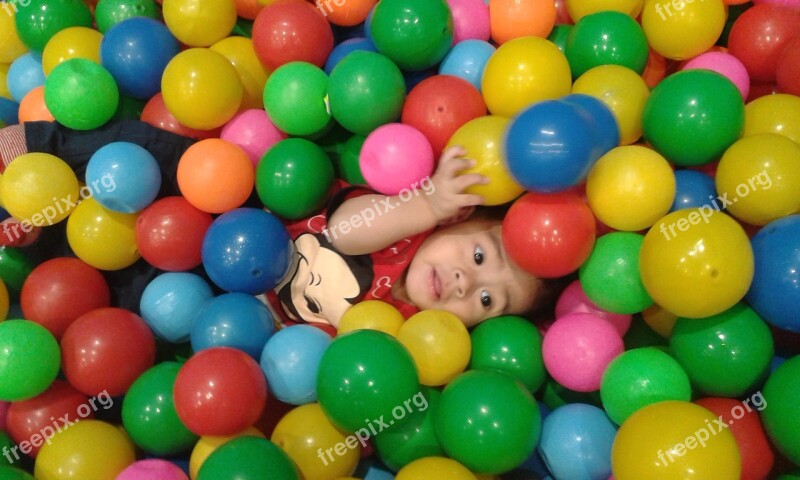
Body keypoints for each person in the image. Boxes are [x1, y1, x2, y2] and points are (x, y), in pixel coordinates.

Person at [0, 120, 550, 331]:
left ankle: (33, 245)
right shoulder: (406, 224)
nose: (466, 284)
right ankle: (33, 160)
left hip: (211, 298)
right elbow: (345, 232)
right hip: (231, 208)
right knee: (150, 155)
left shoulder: (410, 334)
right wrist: (427, 203)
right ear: (462, 220)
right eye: (479, 258)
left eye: (486, 302)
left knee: (109, 305)